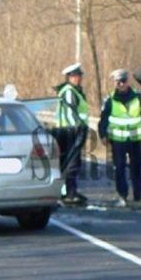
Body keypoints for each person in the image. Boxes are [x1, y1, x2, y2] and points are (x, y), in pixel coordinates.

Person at [98, 69, 141, 207]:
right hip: (118, 141)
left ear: (127, 82)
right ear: (114, 83)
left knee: (137, 168)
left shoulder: (138, 97)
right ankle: (123, 196)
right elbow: (103, 119)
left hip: (135, 139)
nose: (121, 84)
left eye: (123, 81)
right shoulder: (110, 99)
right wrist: (102, 135)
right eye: (118, 82)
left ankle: (139, 194)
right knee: (119, 168)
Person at [54, 63, 89, 204]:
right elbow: (70, 113)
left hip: (72, 131)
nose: (78, 78)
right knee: (71, 163)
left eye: (79, 76)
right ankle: (69, 193)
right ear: (69, 77)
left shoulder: (74, 91)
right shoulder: (69, 92)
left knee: (71, 162)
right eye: (75, 76)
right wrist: (78, 129)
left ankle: (70, 191)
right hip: (70, 132)